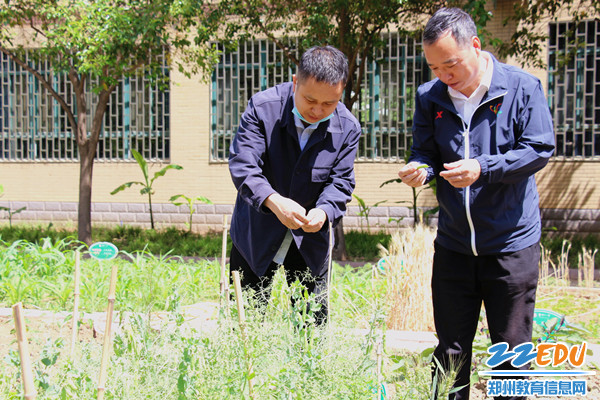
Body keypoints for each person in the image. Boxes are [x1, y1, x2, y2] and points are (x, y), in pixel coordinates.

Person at [398, 8, 555, 400]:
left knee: (510, 353)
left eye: (450, 63)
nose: (443, 75)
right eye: (434, 67)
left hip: (510, 245)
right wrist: (421, 169)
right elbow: (425, 152)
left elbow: (539, 148)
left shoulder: (521, 88)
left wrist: (483, 168)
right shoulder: (429, 97)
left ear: (475, 45)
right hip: (453, 244)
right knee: (450, 352)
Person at [228, 45, 361, 322]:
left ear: (342, 91)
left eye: (329, 104)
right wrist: (274, 201)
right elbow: (244, 166)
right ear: (295, 82)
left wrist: (323, 212)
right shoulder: (263, 109)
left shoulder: (348, 127)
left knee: (311, 330)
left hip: (309, 243)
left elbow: (341, 182)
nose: (318, 110)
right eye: (310, 100)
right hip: (256, 234)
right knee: (244, 325)